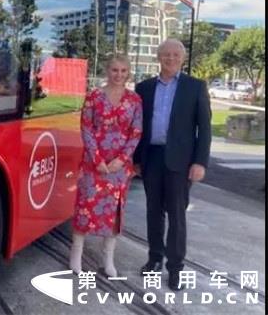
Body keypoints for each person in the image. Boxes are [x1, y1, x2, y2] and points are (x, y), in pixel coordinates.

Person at [133, 39, 211, 291]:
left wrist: (200, 162)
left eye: (175, 54)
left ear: (182, 58)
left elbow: (205, 128)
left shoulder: (195, 87)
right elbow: (137, 126)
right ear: (158, 57)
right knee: (153, 212)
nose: (170, 58)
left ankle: (175, 268)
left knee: (177, 214)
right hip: (151, 157)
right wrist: (136, 160)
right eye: (165, 54)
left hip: (180, 160)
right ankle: (154, 259)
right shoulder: (143, 88)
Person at [69, 55, 142, 277]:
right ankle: (76, 255)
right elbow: (86, 128)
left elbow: (136, 132)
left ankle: (108, 259)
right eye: (114, 70)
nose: (118, 74)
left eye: (123, 70)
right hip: (94, 164)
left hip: (120, 167)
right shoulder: (94, 97)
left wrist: (121, 159)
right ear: (107, 71)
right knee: (85, 207)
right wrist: (97, 159)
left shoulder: (134, 100)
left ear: (128, 72)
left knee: (114, 212)